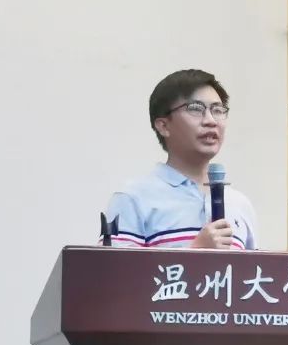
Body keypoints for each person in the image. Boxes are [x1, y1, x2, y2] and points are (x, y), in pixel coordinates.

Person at [102, 69, 257, 249]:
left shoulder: (240, 204)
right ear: (163, 126)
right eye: (196, 109)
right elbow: (114, 267)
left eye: (217, 110)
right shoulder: (133, 198)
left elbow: (253, 267)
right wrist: (196, 251)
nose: (211, 121)